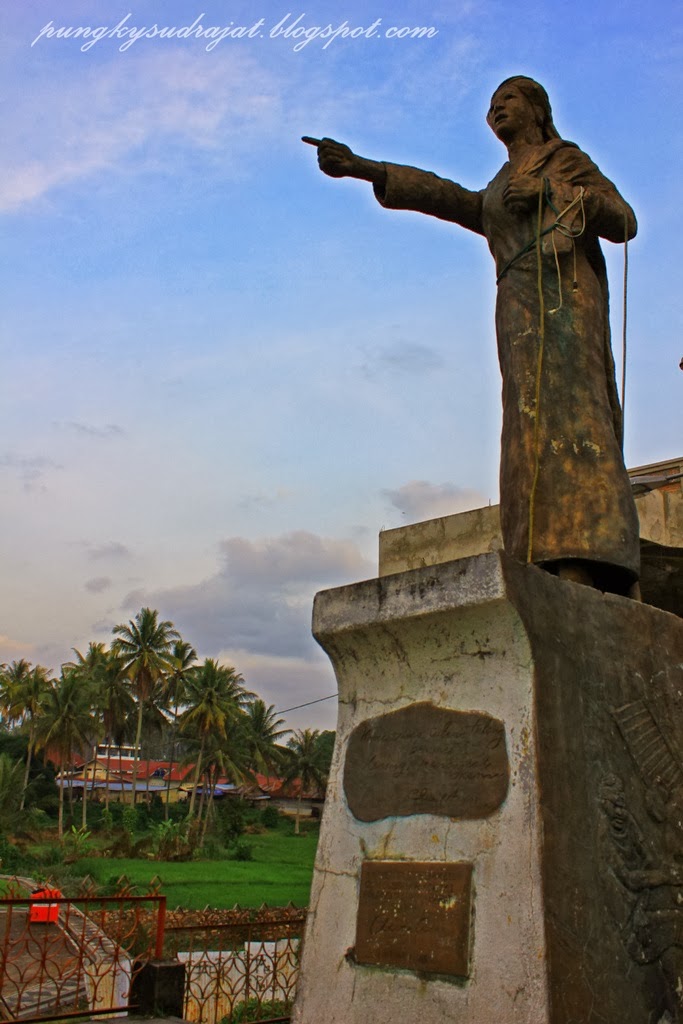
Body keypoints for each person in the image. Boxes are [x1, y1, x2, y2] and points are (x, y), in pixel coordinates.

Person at [305, 77, 640, 596]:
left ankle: (589, 558)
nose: (496, 109)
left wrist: (552, 192)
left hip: (566, 297)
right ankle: (539, 554)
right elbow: (450, 197)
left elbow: (624, 221)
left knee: (572, 418)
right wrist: (364, 168)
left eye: (507, 99)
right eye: (491, 104)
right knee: (525, 426)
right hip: (518, 302)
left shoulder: (563, 159)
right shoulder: (500, 183)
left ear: (536, 109)